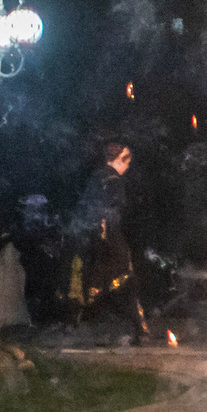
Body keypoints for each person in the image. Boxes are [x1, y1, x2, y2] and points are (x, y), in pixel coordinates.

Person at [74, 141, 149, 344]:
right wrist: (107, 238)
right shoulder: (113, 180)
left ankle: (83, 325)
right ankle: (138, 330)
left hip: (94, 239)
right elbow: (109, 213)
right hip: (109, 240)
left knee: (96, 283)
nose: (128, 167)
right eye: (127, 162)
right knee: (125, 280)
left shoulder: (96, 177)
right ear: (120, 160)